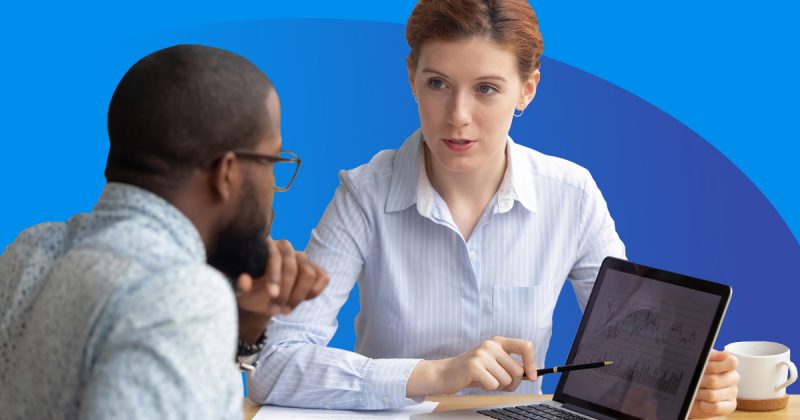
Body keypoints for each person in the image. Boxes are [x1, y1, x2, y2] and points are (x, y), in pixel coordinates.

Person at [245, 1, 739, 417]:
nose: (458, 116)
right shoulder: (365, 194)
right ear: (412, 79)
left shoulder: (571, 194)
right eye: (438, 83)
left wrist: (682, 389)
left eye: (486, 88)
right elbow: (273, 364)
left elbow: (630, 360)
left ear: (527, 89)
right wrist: (435, 374)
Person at [0, 44, 328, 419]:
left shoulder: (29, 250)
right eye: (271, 161)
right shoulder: (181, 295)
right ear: (228, 173)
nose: (274, 186)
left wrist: (246, 324)